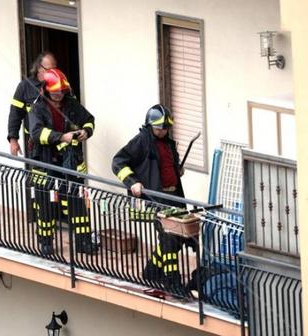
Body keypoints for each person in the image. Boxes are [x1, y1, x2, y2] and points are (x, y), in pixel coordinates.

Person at [111, 104, 195, 296]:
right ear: (150, 125)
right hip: (155, 200)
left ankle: (152, 271)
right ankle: (172, 283)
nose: (163, 131)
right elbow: (118, 162)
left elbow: (166, 167)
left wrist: (177, 170)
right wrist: (132, 182)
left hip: (173, 198)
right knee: (168, 239)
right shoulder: (142, 141)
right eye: (159, 128)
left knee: (179, 238)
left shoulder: (168, 143)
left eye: (165, 128)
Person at [28, 68, 97, 255]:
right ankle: (46, 242)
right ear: (46, 90)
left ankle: (83, 242)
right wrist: (61, 137)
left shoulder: (71, 104)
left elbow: (89, 119)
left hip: (69, 161)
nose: (59, 95)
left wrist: (86, 131)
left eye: (61, 91)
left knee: (76, 201)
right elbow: (36, 133)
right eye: (55, 92)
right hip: (46, 162)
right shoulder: (38, 108)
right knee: (46, 204)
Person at [7, 51, 57, 156]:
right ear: (39, 68)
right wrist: (13, 140)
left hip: (58, 141)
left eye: (55, 69)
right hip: (36, 145)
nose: (53, 72)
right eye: (49, 69)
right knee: (38, 172)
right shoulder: (25, 87)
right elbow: (15, 114)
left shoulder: (61, 85)